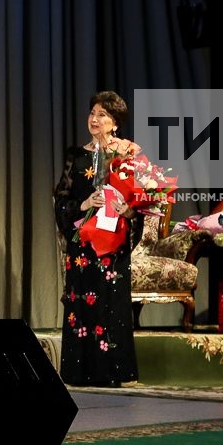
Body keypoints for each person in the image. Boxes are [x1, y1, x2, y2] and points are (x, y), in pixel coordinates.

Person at [53, 90, 142, 388]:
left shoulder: (128, 154)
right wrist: (84, 204)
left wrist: (128, 210)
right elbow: (61, 199)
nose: (94, 119)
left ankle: (116, 371)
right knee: (82, 304)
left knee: (112, 302)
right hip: (84, 244)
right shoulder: (76, 156)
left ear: (115, 122)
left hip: (114, 244)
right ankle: (80, 372)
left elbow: (141, 201)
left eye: (102, 114)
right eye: (92, 113)